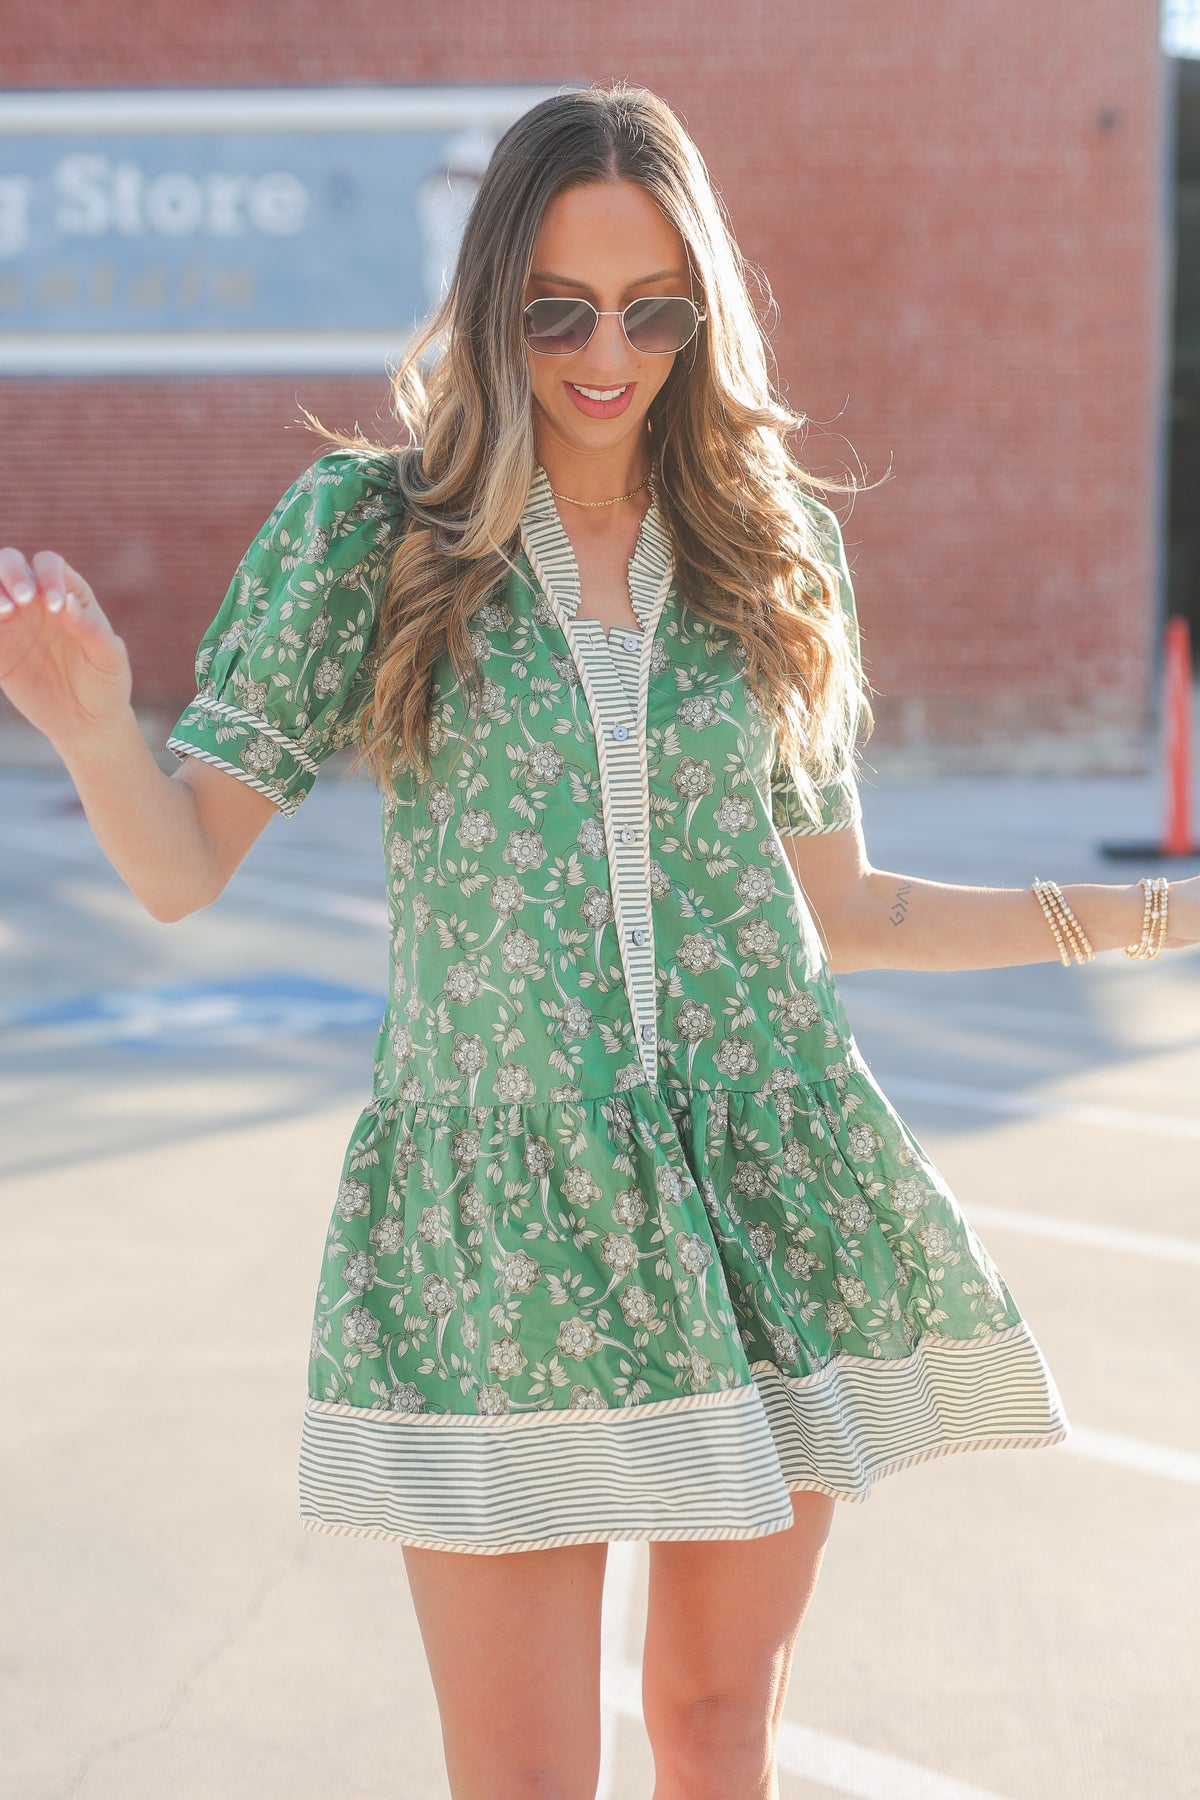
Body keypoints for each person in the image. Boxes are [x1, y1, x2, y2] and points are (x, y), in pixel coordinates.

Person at [1, 80, 1195, 1800]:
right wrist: (98, 728)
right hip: (504, 1220)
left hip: (760, 1187)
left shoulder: (771, 555)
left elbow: (851, 913)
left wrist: (1173, 910)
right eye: (558, 308)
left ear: (702, 311)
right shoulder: (373, 540)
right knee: (525, 1778)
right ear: (495, 304)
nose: (605, 352)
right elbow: (185, 864)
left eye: (651, 309)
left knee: (718, 1741)